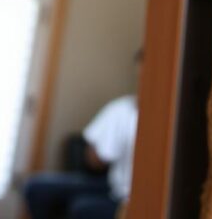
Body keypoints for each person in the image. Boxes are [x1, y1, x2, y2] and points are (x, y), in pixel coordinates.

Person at [23, 54, 140, 219]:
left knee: (83, 208)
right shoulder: (122, 108)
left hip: (129, 197)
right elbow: (94, 160)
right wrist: (96, 153)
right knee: (36, 187)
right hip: (112, 186)